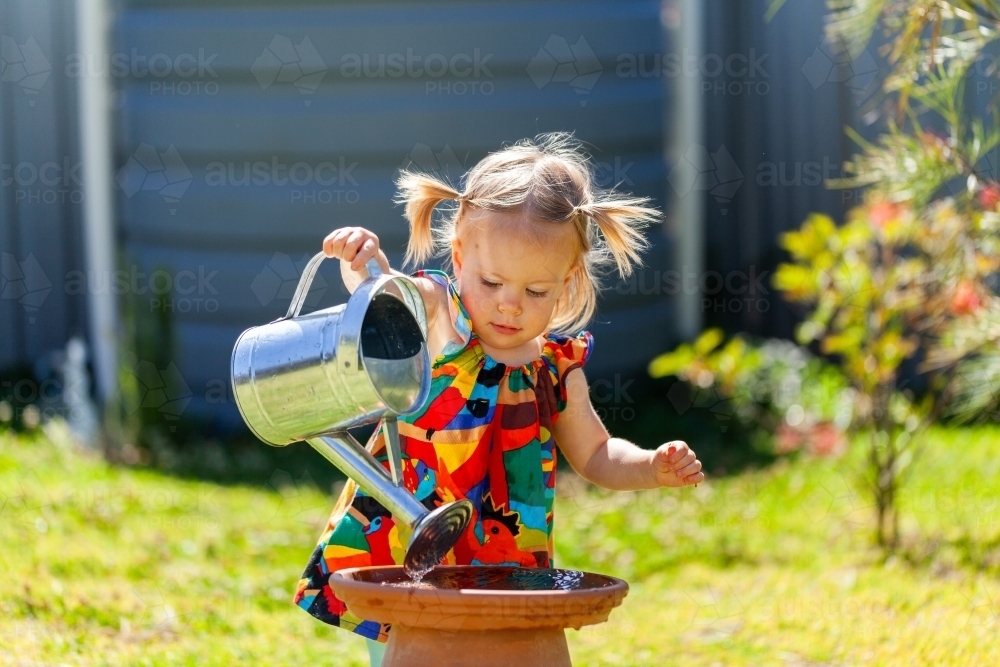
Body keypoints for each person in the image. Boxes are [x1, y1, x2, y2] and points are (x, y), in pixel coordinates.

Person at [293, 133, 705, 666]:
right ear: (460, 257)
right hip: (411, 544)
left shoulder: (556, 367)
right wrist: (362, 265)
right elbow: (385, 297)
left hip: (504, 562)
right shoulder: (444, 315)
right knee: (416, 654)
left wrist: (651, 466)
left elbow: (597, 455)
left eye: (536, 292)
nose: (509, 306)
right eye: (491, 282)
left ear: (566, 281)